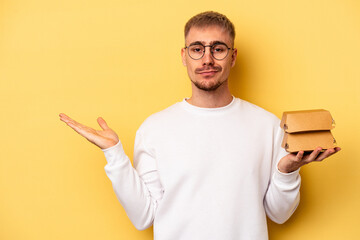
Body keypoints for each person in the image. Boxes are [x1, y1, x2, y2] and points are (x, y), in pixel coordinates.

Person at [59, 11, 340, 240]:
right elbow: (144, 216)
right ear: (184, 56)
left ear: (233, 56)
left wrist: (286, 173)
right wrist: (115, 155)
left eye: (218, 49)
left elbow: (279, 215)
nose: (207, 59)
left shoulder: (269, 126)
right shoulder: (155, 128)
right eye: (197, 49)